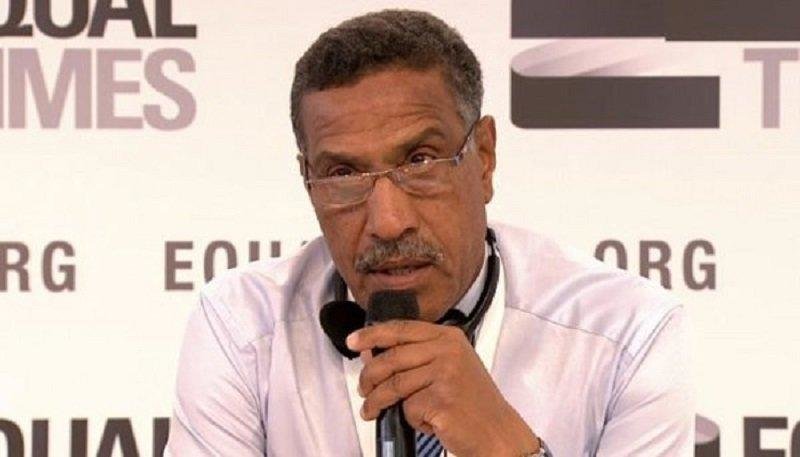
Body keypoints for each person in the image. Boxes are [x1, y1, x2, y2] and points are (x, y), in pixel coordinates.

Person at [166, 9, 693, 456]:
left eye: (420, 161)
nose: (388, 222)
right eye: (344, 175)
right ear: (308, 182)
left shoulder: (626, 333)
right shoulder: (242, 327)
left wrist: (506, 447)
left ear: (483, 157)